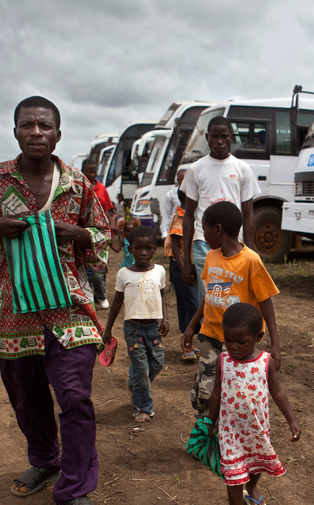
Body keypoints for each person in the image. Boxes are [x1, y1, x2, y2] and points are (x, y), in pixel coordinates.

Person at [0, 96, 110, 505]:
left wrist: (77, 235)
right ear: (15, 132)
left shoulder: (78, 184)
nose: (36, 132)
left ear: (58, 135)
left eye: (45, 126)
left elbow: (102, 236)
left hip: (70, 309)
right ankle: (45, 460)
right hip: (15, 310)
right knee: (27, 398)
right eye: (27, 125)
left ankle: (75, 487)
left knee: (75, 398)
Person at [181, 201, 281, 418]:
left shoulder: (251, 260)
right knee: (205, 392)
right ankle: (206, 431)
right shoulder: (211, 256)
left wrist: (275, 343)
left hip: (236, 342)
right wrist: (191, 326)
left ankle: (228, 432)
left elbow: (265, 300)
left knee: (232, 391)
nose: (203, 235)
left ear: (217, 229)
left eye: (204, 229)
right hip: (209, 335)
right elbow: (209, 296)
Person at [208, 302, 300, 505]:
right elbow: (216, 393)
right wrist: (209, 422)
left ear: (258, 337)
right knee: (233, 477)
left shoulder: (265, 362)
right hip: (230, 431)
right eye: (228, 340)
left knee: (257, 463)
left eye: (241, 342)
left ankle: (251, 487)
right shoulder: (223, 361)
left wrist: (291, 420)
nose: (233, 346)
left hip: (257, 428)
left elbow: (278, 392)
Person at [179, 116, 260, 302]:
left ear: (231, 136)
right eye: (214, 136)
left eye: (224, 136)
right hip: (203, 244)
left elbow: (248, 215)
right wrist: (186, 261)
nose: (219, 141)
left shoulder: (243, 169)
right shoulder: (196, 169)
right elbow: (188, 215)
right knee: (210, 300)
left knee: (234, 298)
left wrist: (250, 254)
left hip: (235, 245)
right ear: (207, 137)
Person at [102, 225, 169, 423]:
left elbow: (162, 296)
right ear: (130, 249)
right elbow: (117, 302)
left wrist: (165, 318)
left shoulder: (159, 271)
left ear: (155, 249)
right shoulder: (124, 273)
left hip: (153, 328)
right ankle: (143, 408)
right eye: (138, 248)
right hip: (133, 329)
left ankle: (134, 383)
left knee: (157, 363)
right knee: (141, 370)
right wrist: (108, 328)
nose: (143, 252)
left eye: (148, 248)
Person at [164, 169, 200, 360]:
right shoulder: (181, 216)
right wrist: (185, 267)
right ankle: (187, 342)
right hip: (181, 267)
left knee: (187, 303)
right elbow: (176, 247)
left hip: (186, 266)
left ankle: (188, 341)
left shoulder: (192, 216)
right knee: (192, 304)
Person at [81, 159, 116, 309]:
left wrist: (110, 232)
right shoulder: (78, 186)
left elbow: (109, 211)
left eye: (94, 171)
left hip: (99, 234)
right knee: (82, 267)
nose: (92, 174)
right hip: (81, 233)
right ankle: (86, 297)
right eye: (89, 171)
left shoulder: (101, 189)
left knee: (98, 267)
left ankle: (101, 296)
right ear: (82, 170)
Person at [160, 168, 185, 240]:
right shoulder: (171, 194)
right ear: (177, 180)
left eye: (186, 179)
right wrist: (164, 233)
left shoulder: (195, 194)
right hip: (174, 230)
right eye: (181, 179)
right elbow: (166, 214)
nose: (184, 181)